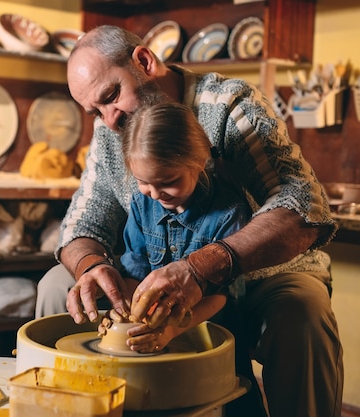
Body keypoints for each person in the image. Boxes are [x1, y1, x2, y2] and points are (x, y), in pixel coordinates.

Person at [35, 25, 343, 417]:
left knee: (303, 313)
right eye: (95, 110)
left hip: (264, 272)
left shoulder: (230, 104)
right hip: (154, 269)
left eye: (111, 97)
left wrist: (200, 269)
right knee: (59, 286)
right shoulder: (112, 127)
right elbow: (82, 224)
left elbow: (304, 207)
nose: (108, 120)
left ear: (144, 62)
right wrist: (91, 265)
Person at [103, 100, 252, 356]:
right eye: (143, 182)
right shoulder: (142, 204)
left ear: (198, 161)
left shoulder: (229, 213)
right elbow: (134, 273)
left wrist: (172, 329)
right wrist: (124, 314)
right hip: (160, 325)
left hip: (213, 331)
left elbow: (223, 295)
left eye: (168, 181)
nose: (155, 193)